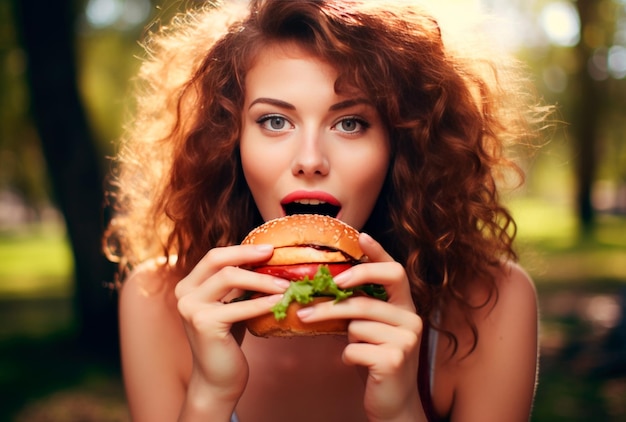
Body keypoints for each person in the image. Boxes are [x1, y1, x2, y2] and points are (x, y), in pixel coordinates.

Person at [104, 1, 551, 421]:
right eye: (275, 121)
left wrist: (400, 412)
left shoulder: (492, 304)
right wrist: (209, 395)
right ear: (228, 140)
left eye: (350, 123)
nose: (311, 159)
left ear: (402, 142)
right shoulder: (156, 303)